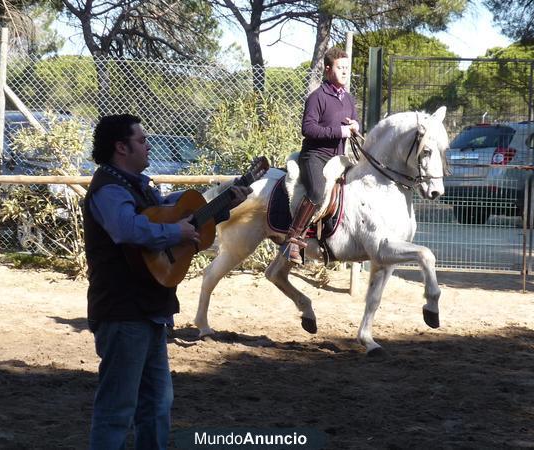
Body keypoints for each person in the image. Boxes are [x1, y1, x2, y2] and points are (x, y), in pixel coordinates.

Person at [83, 114, 250, 450]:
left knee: (157, 404)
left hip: (149, 308)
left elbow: (169, 210)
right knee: (118, 409)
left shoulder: (138, 185)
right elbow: (127, 229)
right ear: (121, 147)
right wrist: (176, 232)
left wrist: (221, 204)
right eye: (142, 140)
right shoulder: (109, 190)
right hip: (122, 310)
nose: (148, 145)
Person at [283, 47, 360, 264]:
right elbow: (308, 129)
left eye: (347, 67)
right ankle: (293, 240)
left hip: (338, 159)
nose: (345, 71)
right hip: (314, 156)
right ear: (328, 69)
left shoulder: (348, 99)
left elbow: (351, 123)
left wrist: (355, 125)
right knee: (317, 192)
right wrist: (340, 131)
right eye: (340, 67)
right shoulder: (317, 97)